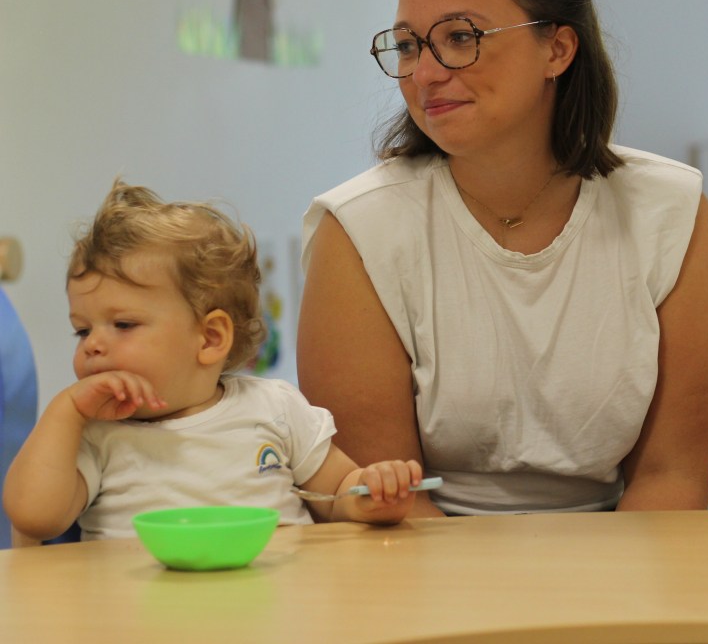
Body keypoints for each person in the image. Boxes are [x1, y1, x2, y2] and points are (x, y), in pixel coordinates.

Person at [297, 0, 708, 517]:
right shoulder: (359, 228)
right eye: (407, 45)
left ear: (556, 48)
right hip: (416, 564)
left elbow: (671, 478)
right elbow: (377, 496)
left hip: (626, 557)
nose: (424, 73)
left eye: (459, 37)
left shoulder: (670, 210)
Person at [3, 181, 426, 542]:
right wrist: (66, 410)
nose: (93, 345)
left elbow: (337, 492)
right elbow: (33, 518)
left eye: (124, 324)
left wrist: (373, 494)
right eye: (82, 330)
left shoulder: (275, 408)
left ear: (209, 338)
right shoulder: (97, 434)